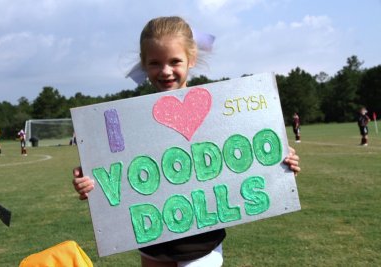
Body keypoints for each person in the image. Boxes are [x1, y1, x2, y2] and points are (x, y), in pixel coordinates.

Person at [73, 16, 301, 267]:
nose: (166, 71)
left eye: (174, 61)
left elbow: (247, 153)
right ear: (145, 65)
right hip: (152, 240)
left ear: (191, 60)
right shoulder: (129, 122)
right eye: (155, 63)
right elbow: (115, 177)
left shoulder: (219, 110)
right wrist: (90, 184)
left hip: (202, 245)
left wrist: (279, 162)